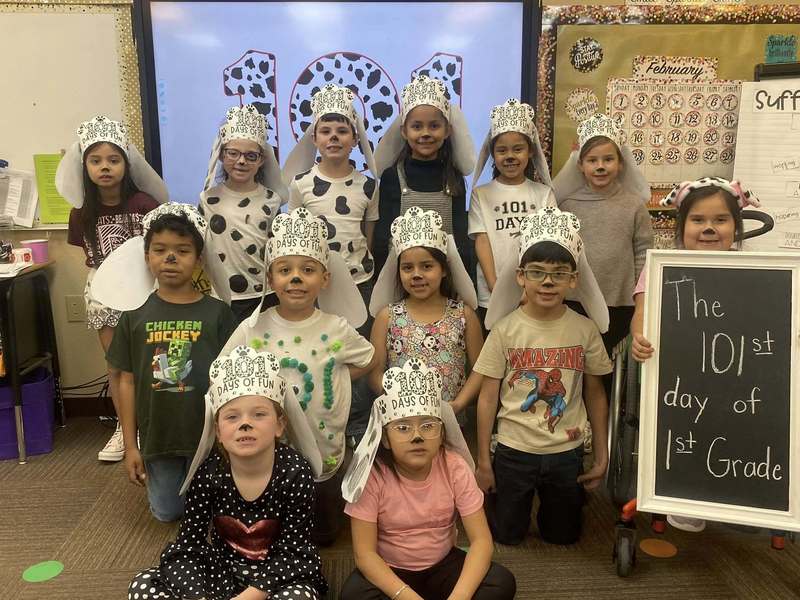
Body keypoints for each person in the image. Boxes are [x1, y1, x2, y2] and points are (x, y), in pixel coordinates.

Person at [221, 207, 375, 546]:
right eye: (284, 270)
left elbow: (368, 357)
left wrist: (337, 377)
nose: (295, 278)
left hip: (324, 443)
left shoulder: (336, 328)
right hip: (271, 447)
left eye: (307, 270)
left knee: (324, 534)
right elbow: (222, 370)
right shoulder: (253, 328)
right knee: (272, 527)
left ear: (325, 278)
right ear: (270, 278)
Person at [127, 345, 327, 600]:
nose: (245, 424)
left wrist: (249, 597)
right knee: (143, 584)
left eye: (259, 414)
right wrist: (199, 596)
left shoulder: (295, 473)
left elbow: (294, 551)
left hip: (278, 577)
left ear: (280, 425)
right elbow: (189, 544)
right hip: (222, 573)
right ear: (218, 432)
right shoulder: (209, 474)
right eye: (232, 417)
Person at [474, 206, 612, 545]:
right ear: (520, 276)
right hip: (513, 449)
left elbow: (595, 393)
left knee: (563, 536)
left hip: (566, 450)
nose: (548, 282)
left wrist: (602, 452)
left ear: (573, 279)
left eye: (559, 273)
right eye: (537, 272)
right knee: (506, 535)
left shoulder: (585, 329)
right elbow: (487, 397)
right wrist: (483, 461)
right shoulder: (505, 330)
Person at [630, 177, 761, 532]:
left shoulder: (758, 271)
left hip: (741, 375)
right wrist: (639, 336)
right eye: (698, 220)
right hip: (678, 378)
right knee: (684, 420)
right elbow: (641, 311)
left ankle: (744, 488)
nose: (709, 228)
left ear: (736, 226)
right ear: (681, 226)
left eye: (720, 220)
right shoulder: (662, 266)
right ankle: (685, 491)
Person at [101, 204, 237, 522]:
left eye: (182, 251)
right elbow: (125, 380)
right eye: (160, 250)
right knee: (167, 512)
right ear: (147, 257)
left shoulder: (217, 314)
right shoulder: (134, 315)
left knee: (215, 510)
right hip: (158, 436)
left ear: (199, 259)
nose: (171, 258)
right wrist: (131, 446)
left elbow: (232, 379)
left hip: (208, 436)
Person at [340, 359, 516, 600]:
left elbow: (481, 541)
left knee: (501, 582)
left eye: (428, 426)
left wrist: (460, 596)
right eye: (403, 428)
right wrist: (406, 596)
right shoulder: (373, 475)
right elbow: (365, 555)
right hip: (390, 570)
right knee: (353, 595)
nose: (417, 437)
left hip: (443, 564)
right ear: (386, 439)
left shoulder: (455, 467)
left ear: (442, 434)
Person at [57, 115, 166, 462]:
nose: (105, 167)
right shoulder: (81, 213)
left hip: (146, 290)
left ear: (126, 164)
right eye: (96, 160)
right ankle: (126, 427)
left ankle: (158, 423)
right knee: (118, 363)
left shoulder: (144, 204)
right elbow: (88, 254)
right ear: (85, 166)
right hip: (104, 295)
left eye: (113, 159)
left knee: (157, 359)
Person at [283, 83, 380, 442]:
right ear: (315, 138)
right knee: (322, 351)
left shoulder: (368, 186)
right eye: (326, 131)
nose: (334, 137)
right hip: (317, 287)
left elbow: (368, 234)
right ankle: (320, 418)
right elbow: (296, 237)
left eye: (342, 131)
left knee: (357, 353)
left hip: (360, 282)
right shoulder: (301, 185)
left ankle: (358, 425)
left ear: (355, 138)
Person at [369, 207, 482, 420]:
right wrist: (396, 401)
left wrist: (458, 404)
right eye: (407, 268)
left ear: (444, 269)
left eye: (427, 266)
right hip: (401, 422)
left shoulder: (463, 315)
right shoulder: (387, 317)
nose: (417, 275)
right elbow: (375, 372)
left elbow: (480, 369)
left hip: (451, 421)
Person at [553, 113, 653, 355]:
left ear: (620, 163)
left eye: (608, 159)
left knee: (608, 359)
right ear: (580, 165)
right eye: (592, 160)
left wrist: (639, 294)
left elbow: (643, 251)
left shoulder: (634, 205)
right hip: (576, 300)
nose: (600, 166)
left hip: (619, 301)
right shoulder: (568, 205)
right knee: (578, 355)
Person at [372, 75, 476, 277]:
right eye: (417, 126)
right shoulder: (392, 177)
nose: (425, 133)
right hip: (401, 279)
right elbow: (382, 238)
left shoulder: (454, 178)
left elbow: (461, 240)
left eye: (434, 126)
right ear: (404, 131)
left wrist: (464, 283)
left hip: (444, 280)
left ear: (447, 131)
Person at [469, 98, 555, 327]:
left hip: (535, 293)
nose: (510, 156)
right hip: (492, 294)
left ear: (530, 151)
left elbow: (548, 245)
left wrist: (531, 288)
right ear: (492, 154)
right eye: (502, 150)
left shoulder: (544, 194)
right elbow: (482, 240)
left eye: (518, 149)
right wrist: (495, 286)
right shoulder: (481, 194)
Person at [199, 104, 287, 323]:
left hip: (263, 296)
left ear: (261, 160)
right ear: (221, 154)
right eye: (233, 153)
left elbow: (278, 251)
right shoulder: (207, 200)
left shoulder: (271, 201)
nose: (241, 161)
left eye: (250, 155)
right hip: (221, 295)